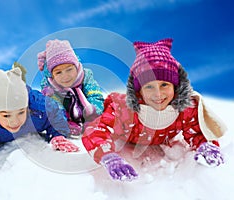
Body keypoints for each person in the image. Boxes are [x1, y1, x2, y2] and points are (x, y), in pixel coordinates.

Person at [81, 38, 227, 181]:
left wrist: (204, 145)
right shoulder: (122, 110)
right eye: (149, 86)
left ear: (176, 86)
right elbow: (96, 130)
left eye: (164, 85)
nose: (158, 94)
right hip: (129, 140)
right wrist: (108, 156)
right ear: (139, 91)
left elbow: (196, 132)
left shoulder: (185, 108)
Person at [0, 64, 79, 180]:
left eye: (21, 112)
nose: (15, 121)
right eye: (6, 115)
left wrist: (57, 135)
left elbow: (56, 116)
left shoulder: (38, 108)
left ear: (28, 107)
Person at [37, 39, 104, 138]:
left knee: (103, 114)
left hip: (88, 113)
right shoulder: (50, 87)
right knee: (51, 108)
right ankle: (69, 124)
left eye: (69, 69)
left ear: (76, 67)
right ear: (52, 75)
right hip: (66, 115)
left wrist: (93, 111)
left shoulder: (85, 77)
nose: (65, 76)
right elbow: (55, 106)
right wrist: (64, 121)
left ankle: (92, 122)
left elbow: (95, 94)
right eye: (58, 72)